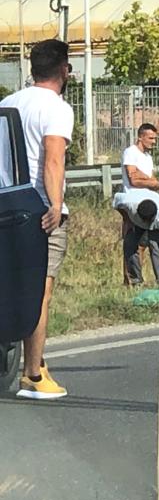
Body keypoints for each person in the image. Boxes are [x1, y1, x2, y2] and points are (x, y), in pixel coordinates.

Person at [0, 39, 74, 399]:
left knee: (6, 284)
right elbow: (53, 159)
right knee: (39, 291)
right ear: (64, 69)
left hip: (4, 201)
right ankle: (33, 372)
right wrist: (56, 205)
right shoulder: (56, 107)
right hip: (37, 207)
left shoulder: (8, 103)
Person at [113, 188, 159, 288]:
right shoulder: (129, 202)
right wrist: (126, 219)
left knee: (156, 248)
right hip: (135, 222)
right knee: (129, 245)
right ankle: (135, 282)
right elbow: (116, 202)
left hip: (155, 226)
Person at [122, 123, 159, 191]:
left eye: (155, 139)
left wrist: (142, 176)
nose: (154, 141)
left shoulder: (148, 157)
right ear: (140, 137)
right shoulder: (130, 152)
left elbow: (154, 182)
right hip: (134, 197)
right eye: (150, 138)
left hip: (148, 196)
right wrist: (150, 181)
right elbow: (134, 181)